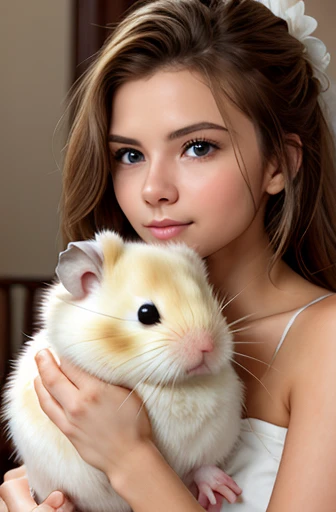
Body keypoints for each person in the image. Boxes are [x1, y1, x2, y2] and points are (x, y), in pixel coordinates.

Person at [1, 0, 336, 510]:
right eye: (129, 155)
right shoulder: (103, 331)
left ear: (278, 164)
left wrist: (130, 458)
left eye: (198, 147)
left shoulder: (326, 342)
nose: (154, 188)